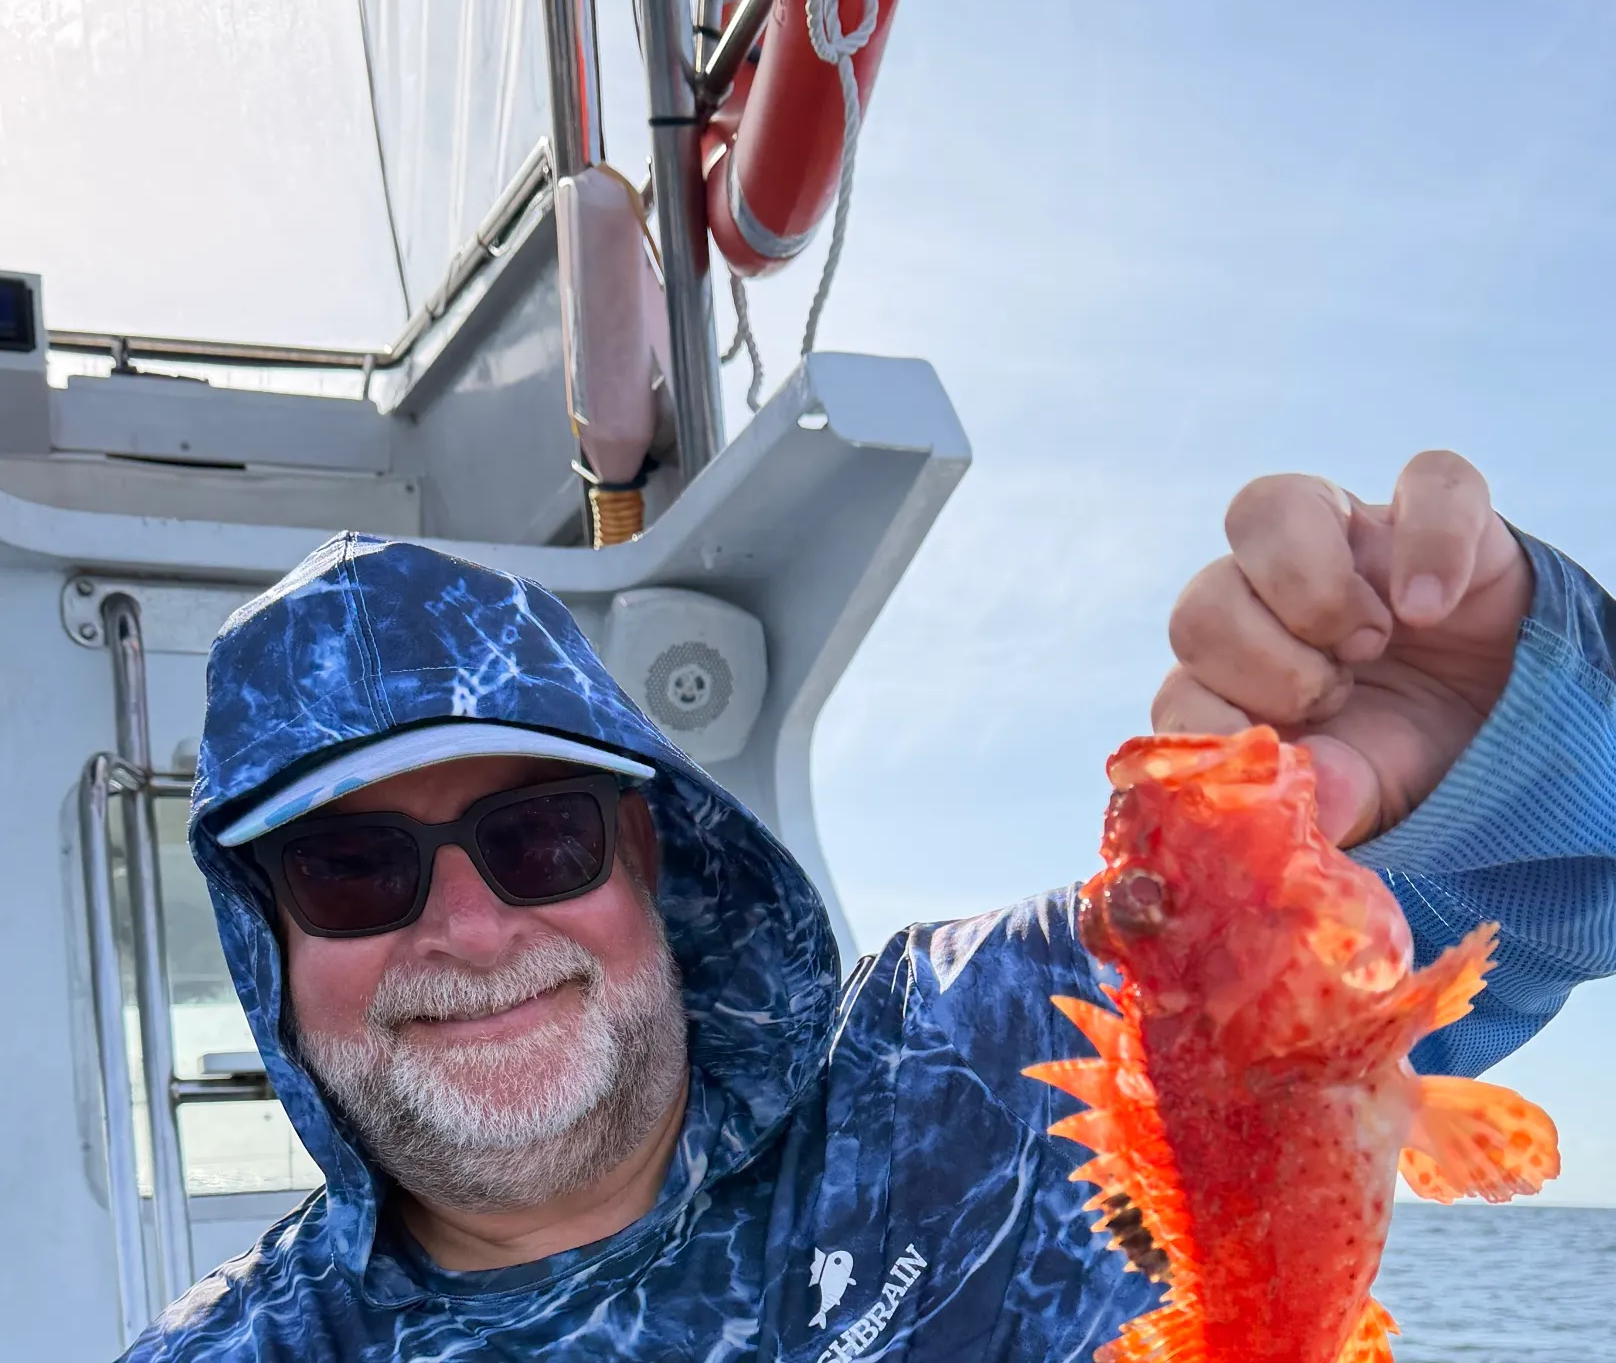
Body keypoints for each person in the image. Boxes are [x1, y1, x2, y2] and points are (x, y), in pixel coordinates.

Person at [123, 450, 1616, 1361]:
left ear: (651, 860)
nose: (467, 926)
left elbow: (1560, 897)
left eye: (541, 837)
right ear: (271, 940)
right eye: (354, 871)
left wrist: (1514, 731)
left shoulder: (1009, 1045)